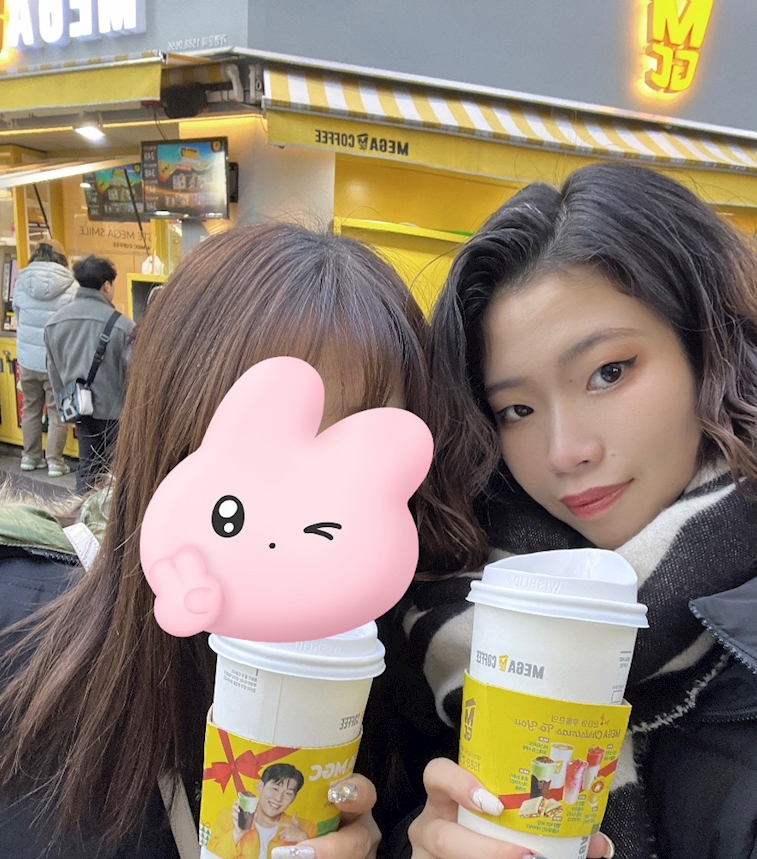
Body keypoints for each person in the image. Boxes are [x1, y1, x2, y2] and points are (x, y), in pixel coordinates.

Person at [386, 164, 757, 859]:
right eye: (517, 409)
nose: (566, 451)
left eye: (609, 372)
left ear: (712, 349)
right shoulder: (452, 618)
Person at [0, 222, 433, 859]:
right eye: (268, 447)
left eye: (348, 457)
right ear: (171, 419)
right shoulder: (17, 618)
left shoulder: (402, 678)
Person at [44, 254, 135, 493]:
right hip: (116, 412)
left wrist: (65, 404)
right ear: (106, 285)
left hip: (79, 408)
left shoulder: (54, 322)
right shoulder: (123, 326)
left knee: (87, 467)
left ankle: (82, 510)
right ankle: (111, 513)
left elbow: (53, 371)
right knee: (116, 472)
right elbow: (134, 375)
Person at [12, 237, 77, 477]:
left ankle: (30, 457)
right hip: (55, 360)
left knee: (30, 407)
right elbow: (72, 321)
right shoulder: (70, 284)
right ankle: (55, 462)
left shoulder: (21, 280)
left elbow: (17, 313)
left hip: (28, 358)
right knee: (56, 411)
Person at [208, 764, 317, 859]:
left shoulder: (306, 828)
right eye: (275, 789)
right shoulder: (230, 816)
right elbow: (210, 856)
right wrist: (238, 833)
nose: (278, 798)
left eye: (288, 793)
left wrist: (303, 840)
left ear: (293, 799)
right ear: (260, 786)